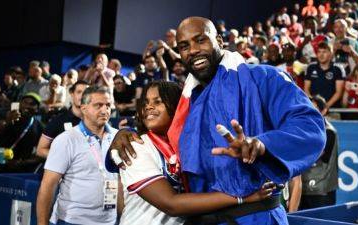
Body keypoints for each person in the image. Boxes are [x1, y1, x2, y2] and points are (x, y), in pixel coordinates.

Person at [110, 17, 326, 224]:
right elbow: (160, 120)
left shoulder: (262, 77)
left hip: (256, 217)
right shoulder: (185, 100)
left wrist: (262, 145)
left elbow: (309, 125)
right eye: (184, 46)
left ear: (219, 40)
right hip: (200, 219)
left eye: (201, 40)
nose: (193, 50)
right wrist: (126, 132)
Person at [108, 81, 275, 225]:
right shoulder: (135, 146)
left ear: (176, 107)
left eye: (158, 101)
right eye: (145, 103)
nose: (148, 107)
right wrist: (242, 198)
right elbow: (171, 204)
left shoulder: (190, 144)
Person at [36, 86, 118, 225]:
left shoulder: (117, 137)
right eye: (98, 105)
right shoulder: (66, 140)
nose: (105, 110)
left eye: (108, 105)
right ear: (84, 108)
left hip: (110, 221)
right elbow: (48, 186)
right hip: (72, 221)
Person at [300, 95, 338, 210]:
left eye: (315, 108)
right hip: (304, 188)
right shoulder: (305, 129)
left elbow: (314, 155)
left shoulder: (329, 132)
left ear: (324, 111)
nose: (310, 111)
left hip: (320, 190)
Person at [0, 92, 44, 173]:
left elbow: (41, 154)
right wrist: (8, 121)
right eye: (25, 102)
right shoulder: (10, 115)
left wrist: (23, 163)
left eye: (32, 104)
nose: (27, 106)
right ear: (20, 104)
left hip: (17, 168)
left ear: (37, 108)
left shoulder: (39, 127)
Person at [36, 80, 88, 158]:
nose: (82, 96)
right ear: (72, 94)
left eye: (86, 93)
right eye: (79, 92)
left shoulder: (95, 121)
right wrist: (63, 158)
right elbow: (40, 150)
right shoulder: (59, 120)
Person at [304, 42, 346, 108]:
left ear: (331, 53)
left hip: (332, 110)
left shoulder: (338, 69)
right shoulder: (310, 67)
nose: (321, 55)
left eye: (324, 52)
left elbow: (339, 93)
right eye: (319, 52)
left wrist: (325, 107)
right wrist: (313, 104)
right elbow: (306, 89)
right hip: (314, 109)